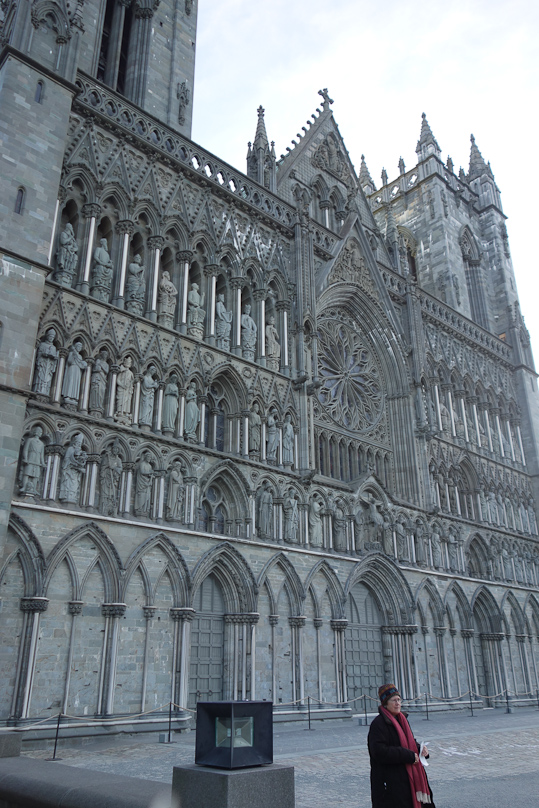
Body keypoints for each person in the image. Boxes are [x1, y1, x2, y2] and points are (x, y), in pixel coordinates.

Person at [368, 684, 434, 808]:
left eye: (399, 700)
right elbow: (379, 752)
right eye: (394, 700)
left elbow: (410, 742)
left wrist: (420, 749)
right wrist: (407, 755)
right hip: (391, 782)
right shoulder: (378, 724)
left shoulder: (403, 719)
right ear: (385, 703)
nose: (398, 703)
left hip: (410, 780)